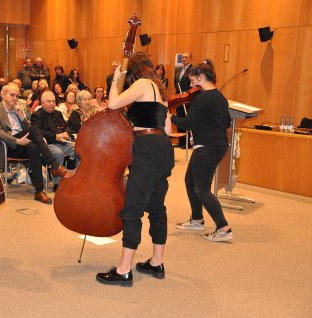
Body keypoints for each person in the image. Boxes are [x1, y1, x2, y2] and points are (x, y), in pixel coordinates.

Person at [96, 52, 174, 287]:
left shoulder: (141, 84)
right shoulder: (160, 91)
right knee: (157, 207)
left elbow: (112, 104)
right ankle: (156, 262)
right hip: (163, 148)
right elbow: (168, 128)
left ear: (134, 71)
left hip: (147, 148)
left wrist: (115, 80)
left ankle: (124, 270)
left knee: (132, 209)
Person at [172, 61, 233, 242]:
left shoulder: (203, 98)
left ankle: (224, 228)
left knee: (202, 189)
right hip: (214, 145)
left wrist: (169, 117)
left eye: (192, 81)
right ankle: (197, 219)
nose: (190, 86)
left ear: (201, 78)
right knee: (190, 181)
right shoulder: (220, 97)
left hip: (208, 147)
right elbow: (227, 123)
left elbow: (187, 123)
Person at [0, 83, 73, 204]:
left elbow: (30, 128)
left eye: (17, 96)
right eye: (12, 95)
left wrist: (21, 117)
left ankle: (39, 191)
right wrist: (17, 140)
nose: (15, 98)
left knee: (33, 147)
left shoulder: (17, 110)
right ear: (3, 94)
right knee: (34, 130)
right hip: (7, 145)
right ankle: (54, 165)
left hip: (22, 144)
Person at [31, 90, 75, 192]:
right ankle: (57, 183)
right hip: (48, 144)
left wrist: (66, 133)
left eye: (53, 101)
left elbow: (67, 126)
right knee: (58, 153)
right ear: (42, 103)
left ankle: (75, 178)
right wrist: (55, 136)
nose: (52, 104)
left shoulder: (58, 113)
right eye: (49, 101)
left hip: (63, 142)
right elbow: (38, 132)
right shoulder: (37, 115)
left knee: (80, 150)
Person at [174, 52, 193, 148]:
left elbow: (193, 84)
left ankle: (188, 142)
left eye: (186, 57)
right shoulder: (178, 70)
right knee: (179, 118)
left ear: (190, 59)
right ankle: (181, 141)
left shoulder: (192, 70)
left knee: (187, 119)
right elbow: (176, 84)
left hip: (188, 99)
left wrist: (187, 94)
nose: (184, 59)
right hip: (179, 99)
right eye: (183, 57)